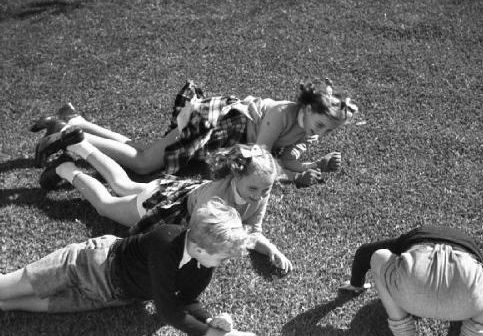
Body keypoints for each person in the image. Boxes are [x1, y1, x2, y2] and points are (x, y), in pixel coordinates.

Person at [0, 198, 262, 336]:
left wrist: (210, 319)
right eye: (223, 256)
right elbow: (167, 309)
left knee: (14, 304)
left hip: (110, 296)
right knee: (6, 288)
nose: (225, 262)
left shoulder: (204, 265)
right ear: (201, 247)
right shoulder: (166, 242)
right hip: (88, 264)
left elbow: (187, 300)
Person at [32, 78, 357, 187]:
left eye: (330, 130)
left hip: (223, 134)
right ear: (308, 107)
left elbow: (286, 159)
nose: (323, 133)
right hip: (216, 124)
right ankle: (72, 134)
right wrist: (294, 176)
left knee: (146, 150)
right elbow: (261, 158)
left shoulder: (306, 130)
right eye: (322, 124)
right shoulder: (280, 114)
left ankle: (75, 121)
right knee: (145, 163)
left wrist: (315, 166)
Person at [37, 139, 293, 273]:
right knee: (106, 204)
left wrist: (270, 249)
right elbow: (197, 239)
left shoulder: (258, 193)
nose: (259, 196)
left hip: (179, 191)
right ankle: (65, 168)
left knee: (123, 184)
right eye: (253, 189)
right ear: (236, 176)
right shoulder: (216, 199)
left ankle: (79, 144)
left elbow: (252, 229)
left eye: (266, 190)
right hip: (170, 207)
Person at [339, 225, 483, 336]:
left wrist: (356, 283)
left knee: (379, 257)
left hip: (409, 291)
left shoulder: (412, 236)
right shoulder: (470, 247)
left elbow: (365, 252)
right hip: (467, 298)